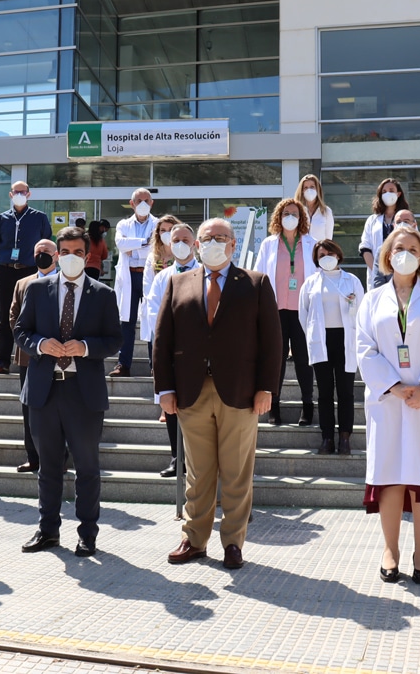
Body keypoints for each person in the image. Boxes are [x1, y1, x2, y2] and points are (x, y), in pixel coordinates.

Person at [154, 218, 281, 570]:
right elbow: (163, 340)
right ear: (196, 245)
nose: (213, 243)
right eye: (207, 238)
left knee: (237, 471)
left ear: (233, 244)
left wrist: (266, 388)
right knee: (198, 471)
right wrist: (164, 390)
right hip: (191, 393)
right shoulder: (177, 283)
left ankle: (233, 543)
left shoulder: (255, 283)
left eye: (221, 238)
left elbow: (272, 342)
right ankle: (194, 539)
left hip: (240, 393)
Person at [355, 225, 420, 585]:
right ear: (386, 254)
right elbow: (365, 349)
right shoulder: (372, 300)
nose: (406, 253)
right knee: (390, 476)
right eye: (399, 247)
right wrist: (397, 387)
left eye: (413, 248)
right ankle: (390, 550)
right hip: (388, 402)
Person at [14, 226, 122, 557]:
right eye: (65, 252)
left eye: (78, 252)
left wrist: (86, 347)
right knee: (47, 467)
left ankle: (87, 533)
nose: (71, 258)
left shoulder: (103, 294)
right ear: (56, 254)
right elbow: (20, 330)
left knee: (87, 467)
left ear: (87, 255)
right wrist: (39, 344)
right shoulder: (37, 289)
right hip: (45, 391)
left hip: (83, 392)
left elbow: (114, 340)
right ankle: (48, 530)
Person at [254, 198, 318, 426]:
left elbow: (319, 276)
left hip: (303, 311)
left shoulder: (312, 244)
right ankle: (274, 406)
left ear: (301, 218)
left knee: (304, 359)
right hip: (276, 310)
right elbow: (259, 276)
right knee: (276, 360)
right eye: (286, 213)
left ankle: (307, 406)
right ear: (279, 217)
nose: (290, 217)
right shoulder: (269, 244)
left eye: (295, 213)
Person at [298, 239, 364, 455]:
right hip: (321, 340)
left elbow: (362, 310)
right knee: (324, 392)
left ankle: (345, 438)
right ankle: (327, 438)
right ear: (316, 259)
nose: (325, 257)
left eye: (329, 252)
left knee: (345, 392)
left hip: (345, 339)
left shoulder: (352, 280)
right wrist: (312, 335)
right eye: (320, 254)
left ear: (338, 254)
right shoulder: (310, 283)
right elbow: (303, 314)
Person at [143, 222, 198, 477]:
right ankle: (177, 458)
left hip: (197, 354)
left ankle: (198, 459)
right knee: (171, 406)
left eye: (185, 239)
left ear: (195, 243)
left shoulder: (206, 273)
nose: (180, 244)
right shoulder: (163, 276)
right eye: (175, 239)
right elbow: (154, 311)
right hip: (170, 351)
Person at [0, 181, 52, 375]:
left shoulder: (39, 218)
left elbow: (46, 241)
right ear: (10, 194)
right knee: (7, 315)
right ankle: (3, 361)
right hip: (6, 271)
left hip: (30, 271)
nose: (19, 194)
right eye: (16, 191)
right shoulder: (1, 219)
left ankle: (31, 358)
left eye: (23, 191)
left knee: (32, 315)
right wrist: (6, 259)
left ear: (29, 194)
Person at [9, 238, 58, 473]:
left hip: (61, 356)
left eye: (46, 251)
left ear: (56, 255)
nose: (42, 255)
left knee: (58, 409)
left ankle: (58, 457)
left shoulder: (66, 282)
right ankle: (33, 457)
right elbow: (14, 317)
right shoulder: (23, 283)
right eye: (38, 251)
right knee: (30, 408)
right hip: (29, 356)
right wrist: (34, 343)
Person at [110, 188, 155, 377]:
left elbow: (155, 247)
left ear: (152, 203)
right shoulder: (123, 224)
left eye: (146, 200)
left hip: (150, 276)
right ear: (132, 203)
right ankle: (123, 365)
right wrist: (144, 243)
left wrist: (133, 245)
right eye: (139, 200)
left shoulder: (158, 224)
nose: (143, 203)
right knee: (126, 322)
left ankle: (156, 365)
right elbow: (120, 244)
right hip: (129, 276)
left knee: (152, 320)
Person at [139, 214, 181, 353]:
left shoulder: (182, 254)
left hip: (178, 305)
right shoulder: (153, 256)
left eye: (170, 229)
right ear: (158, 233)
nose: (166, 233)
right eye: (163, 230)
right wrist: (154, 300)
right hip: (157, 304)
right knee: (156, 343)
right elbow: (147, 282)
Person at [360, 178, 409, 290]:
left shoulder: (407, 218)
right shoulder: (372, 220)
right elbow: (365, 248)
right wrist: (377, 270)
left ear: (399, 193)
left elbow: (414, 243)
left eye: (391, 190)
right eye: (384, 191)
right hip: (378, 273)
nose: (388, 194)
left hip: (402, 271)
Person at [374, 209, 420, 286]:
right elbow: (378, 282)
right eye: (398, 222)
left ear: (414, 225)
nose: (402, 224)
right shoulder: (382, 251)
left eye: (406, 221)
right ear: (394, 225)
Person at [295, 173, 334, 242]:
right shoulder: (297, 211)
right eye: (306, 188)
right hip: (301, 251)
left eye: (312, 187)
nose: (309, 190)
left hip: (318, 251)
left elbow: (328, 239)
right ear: (302, 191)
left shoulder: (326, 211)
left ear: (317, 189)